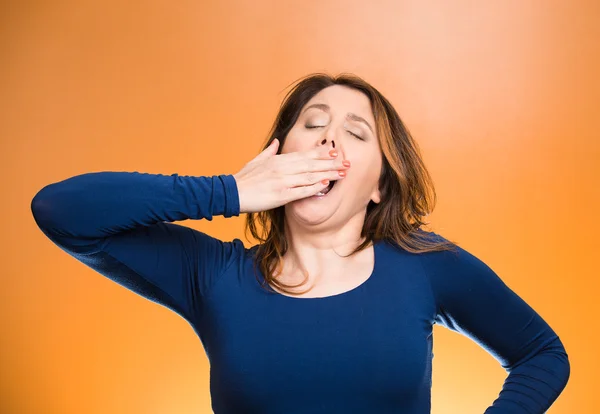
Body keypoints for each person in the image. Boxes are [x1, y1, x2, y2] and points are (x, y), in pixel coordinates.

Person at [31, 72, 570, 413]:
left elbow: (543, 355)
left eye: (357, 134)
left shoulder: (428, 266)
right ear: (282, 153)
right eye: (313, 125)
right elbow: (62, 211)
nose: (329, 137)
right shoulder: (215, 275)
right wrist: (230, 190)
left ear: (380, 185)